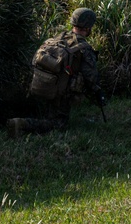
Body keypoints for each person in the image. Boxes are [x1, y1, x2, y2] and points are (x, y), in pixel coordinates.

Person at [6, 7, 105, 137]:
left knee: (52, 113)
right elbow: (90, 76)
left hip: (45, 83)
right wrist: (98, 93)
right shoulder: (84, 48)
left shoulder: (60, 37)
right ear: (88, 28)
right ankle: (21, 124)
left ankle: (37, 118)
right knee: (58, 125)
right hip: (60, 92)